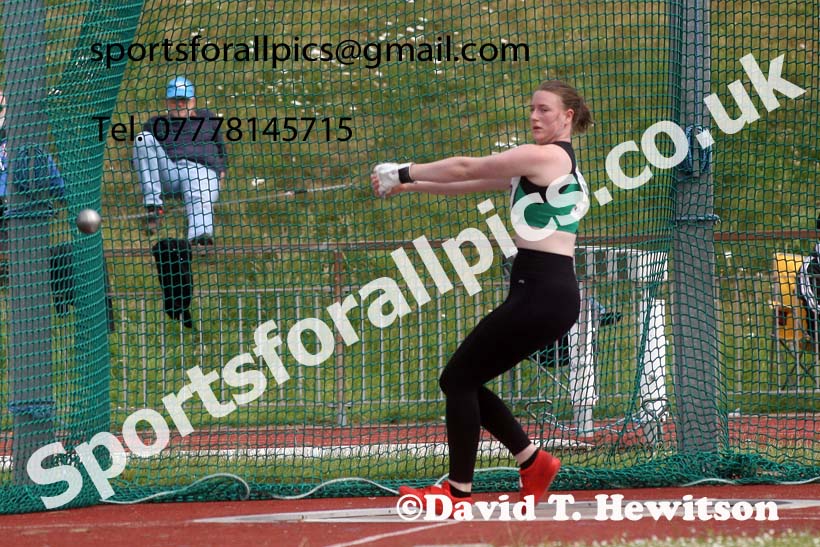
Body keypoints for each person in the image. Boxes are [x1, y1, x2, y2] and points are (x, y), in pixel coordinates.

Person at [371, 80, 593, 510]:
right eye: (531, 109)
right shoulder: (555, 164)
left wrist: (403, 170)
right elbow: (467, 183)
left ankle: (458, 492)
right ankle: (532, 461)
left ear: (567, 116)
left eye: (544, 110)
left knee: (458, 380)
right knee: (464, 379)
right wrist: (408, 187)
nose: (534, 117)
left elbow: (466, 166)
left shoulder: (544, 156)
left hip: (541, 291)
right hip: (547, 292)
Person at [133, 76, 226, 246]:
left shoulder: (207, 118)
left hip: (202, 171)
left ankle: (200, 239)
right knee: (142, 139)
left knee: (198, 187)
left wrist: (222, 171)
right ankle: (154, 208)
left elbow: (221, 149)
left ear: (192, 101)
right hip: (171, 173)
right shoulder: (155, 123)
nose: (180, 104)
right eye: (175, 100)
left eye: (183, 99)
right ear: (167, 102)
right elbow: (143, 156)